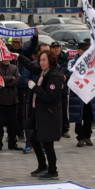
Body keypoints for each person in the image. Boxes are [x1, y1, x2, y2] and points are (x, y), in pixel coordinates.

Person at [27, 50, 65, 179]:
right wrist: (18, 57)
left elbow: (50, 96)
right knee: (33, 138)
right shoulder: (44, 72)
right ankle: (42, 165)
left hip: (50, 114)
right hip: (38, 112)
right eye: (40, 60)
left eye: (44, 60)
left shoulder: (54, 76)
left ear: (51, 61)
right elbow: (31, 66)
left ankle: (53, 171)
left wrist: (35, 88)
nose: (41, 62)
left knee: (48, 143)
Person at [0, 56, 21, 152]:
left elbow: (17, 80)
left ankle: (12, 142)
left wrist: (4, 82)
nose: (7, 59)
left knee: (13, 124)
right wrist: (10, 78)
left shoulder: (14, 68)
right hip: (0, 101)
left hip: (13, 100)